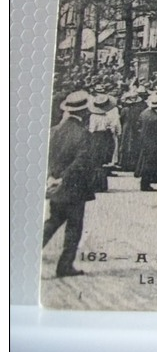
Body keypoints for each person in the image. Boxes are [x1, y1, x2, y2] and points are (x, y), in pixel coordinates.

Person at [43, 91, 98, 277]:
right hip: (74, 188)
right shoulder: (83, 134)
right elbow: (81, 162)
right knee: (74, 228)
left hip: (56, 185)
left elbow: (49, 155)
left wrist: (53, 176)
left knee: (52, 222)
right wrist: (65, 177)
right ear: (83, 112)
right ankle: (65, 266)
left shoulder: (56, 130)